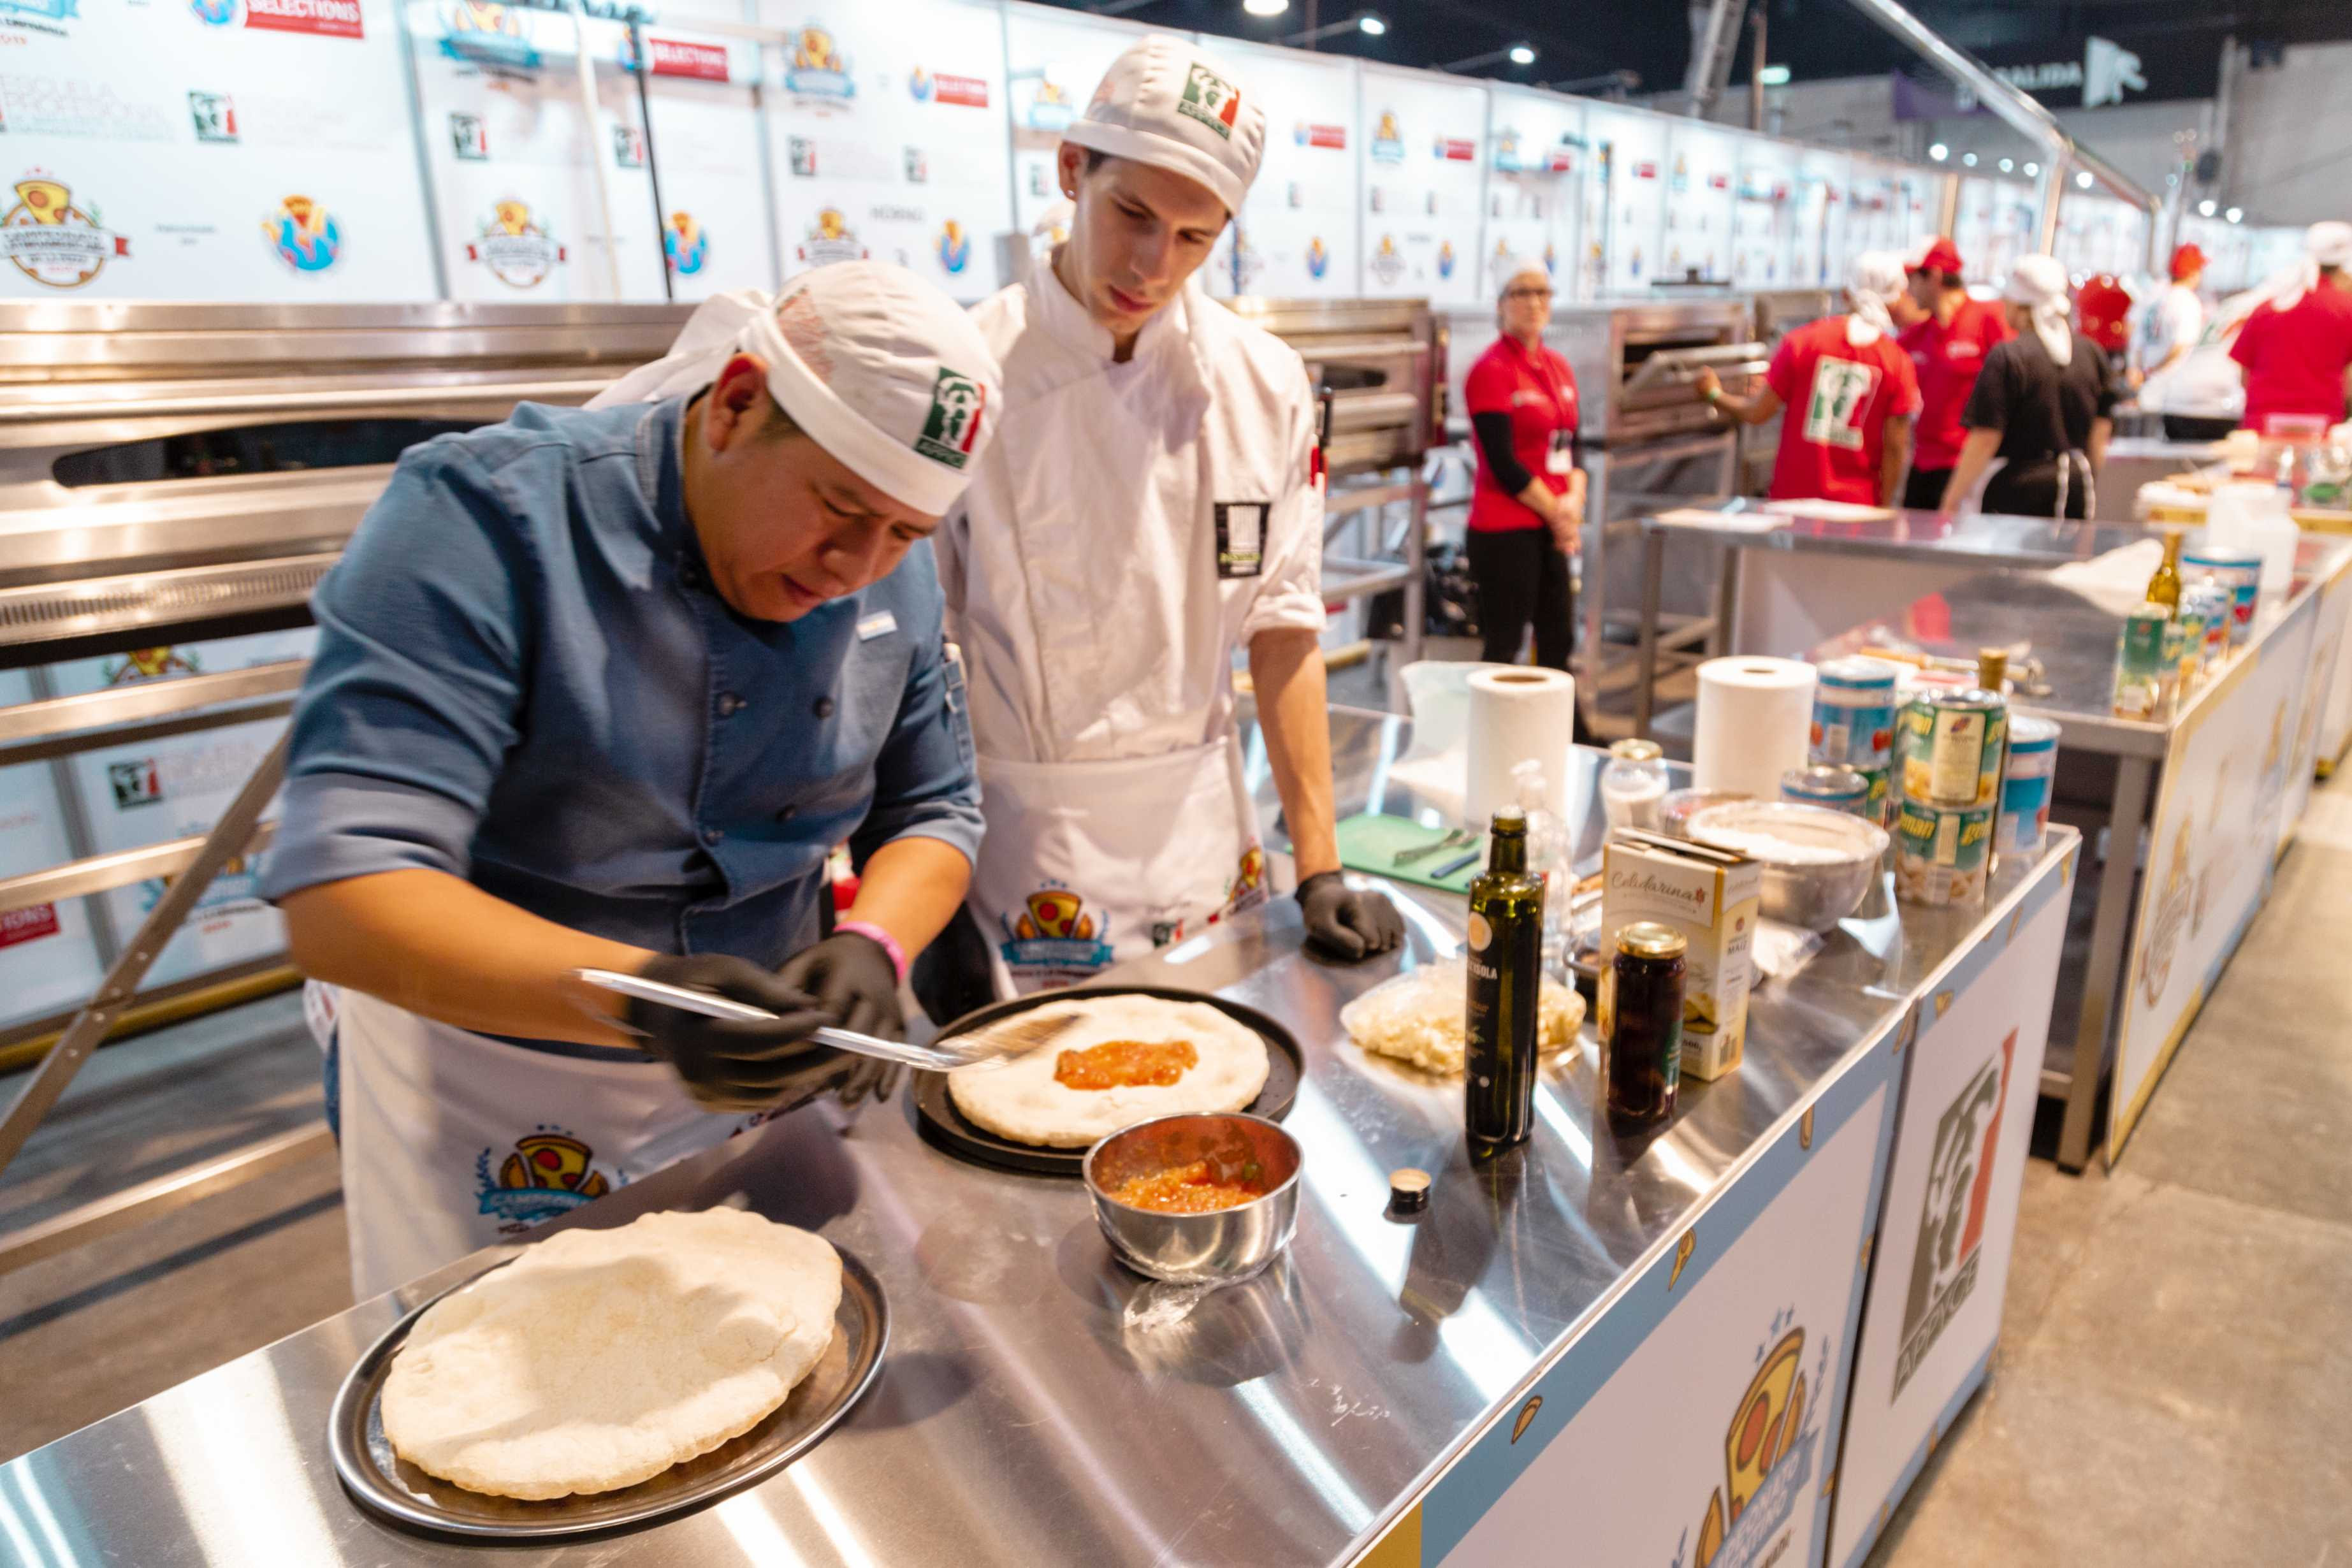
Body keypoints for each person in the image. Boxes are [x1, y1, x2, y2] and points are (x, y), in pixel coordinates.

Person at [261, 264, 1003, 1297]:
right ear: (739, 402)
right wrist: (639, 1000)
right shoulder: (487, 519)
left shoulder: (891, 567)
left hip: (761, 1083)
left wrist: (875, 943)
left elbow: (932, 809)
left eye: (905, 535)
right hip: (489, 1089)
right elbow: (347, 897)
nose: (856, 565)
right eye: (837, 508)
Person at [925, 34, 1404, 1010]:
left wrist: (1317, 866)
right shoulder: (968, 370)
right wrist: (918, 911)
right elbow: (911, 662)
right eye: (1131, 213)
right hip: (1021, 867)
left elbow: (1284, 622)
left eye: (1194, 238)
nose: (1151, 263)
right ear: (1072, 171)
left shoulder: (1260, 382)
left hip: (1200, 851)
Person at [1460, 258, 1595, 728]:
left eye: (1543, 292)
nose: (1535, 302)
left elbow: (1572, 445)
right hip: (1504, 530)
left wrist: (1574, 500)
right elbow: (1502, 462)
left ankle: (1567, 734)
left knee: (1558, 638)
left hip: (1551, 525)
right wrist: (1559, 514)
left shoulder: (1557, 367)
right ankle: (1490, 734)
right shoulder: (1491, 370)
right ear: (1501, 305)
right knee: (1504, 644)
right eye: (1522, 293)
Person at [1695, 251, 1921, 509]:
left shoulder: (1802, 342)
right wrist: (1884, 507)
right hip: (1856, 509)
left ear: (1846, 294)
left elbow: (1757, 412)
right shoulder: (1897, 361)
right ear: (1895, 299)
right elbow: (1895, 448)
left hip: (1791, 503)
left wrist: (1714, 394)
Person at [1938, 254, 2119, 519]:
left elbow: (1986, 438)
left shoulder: (2008, 357)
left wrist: (1950, 502)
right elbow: (2100, 434)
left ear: (2021, 304)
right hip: (2077, 484)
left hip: (2018, 489)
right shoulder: (2092, 353)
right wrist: (2089, 481)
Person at [1897, 236, 2013, 511]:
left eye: (1912, 278)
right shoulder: (1915, 337)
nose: (1908, 290)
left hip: (1968, 471)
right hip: (1921, 469)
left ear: (1934, 276)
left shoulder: (1989, 320)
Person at [2229, 220, 2352, 437]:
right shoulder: (2345, 309)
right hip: (2323, 425)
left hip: (2262, 424)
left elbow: (2243, 375)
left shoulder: (2268, 308)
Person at [2132, 245, 2209, 425]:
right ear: (2193, 273)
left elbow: (2135, 333)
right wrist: (2155, 370)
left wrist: (2140, 370)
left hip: (2148, 385)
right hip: (2172, 390)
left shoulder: (2155, 298)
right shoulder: (2187, 302)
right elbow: (2181, 346)